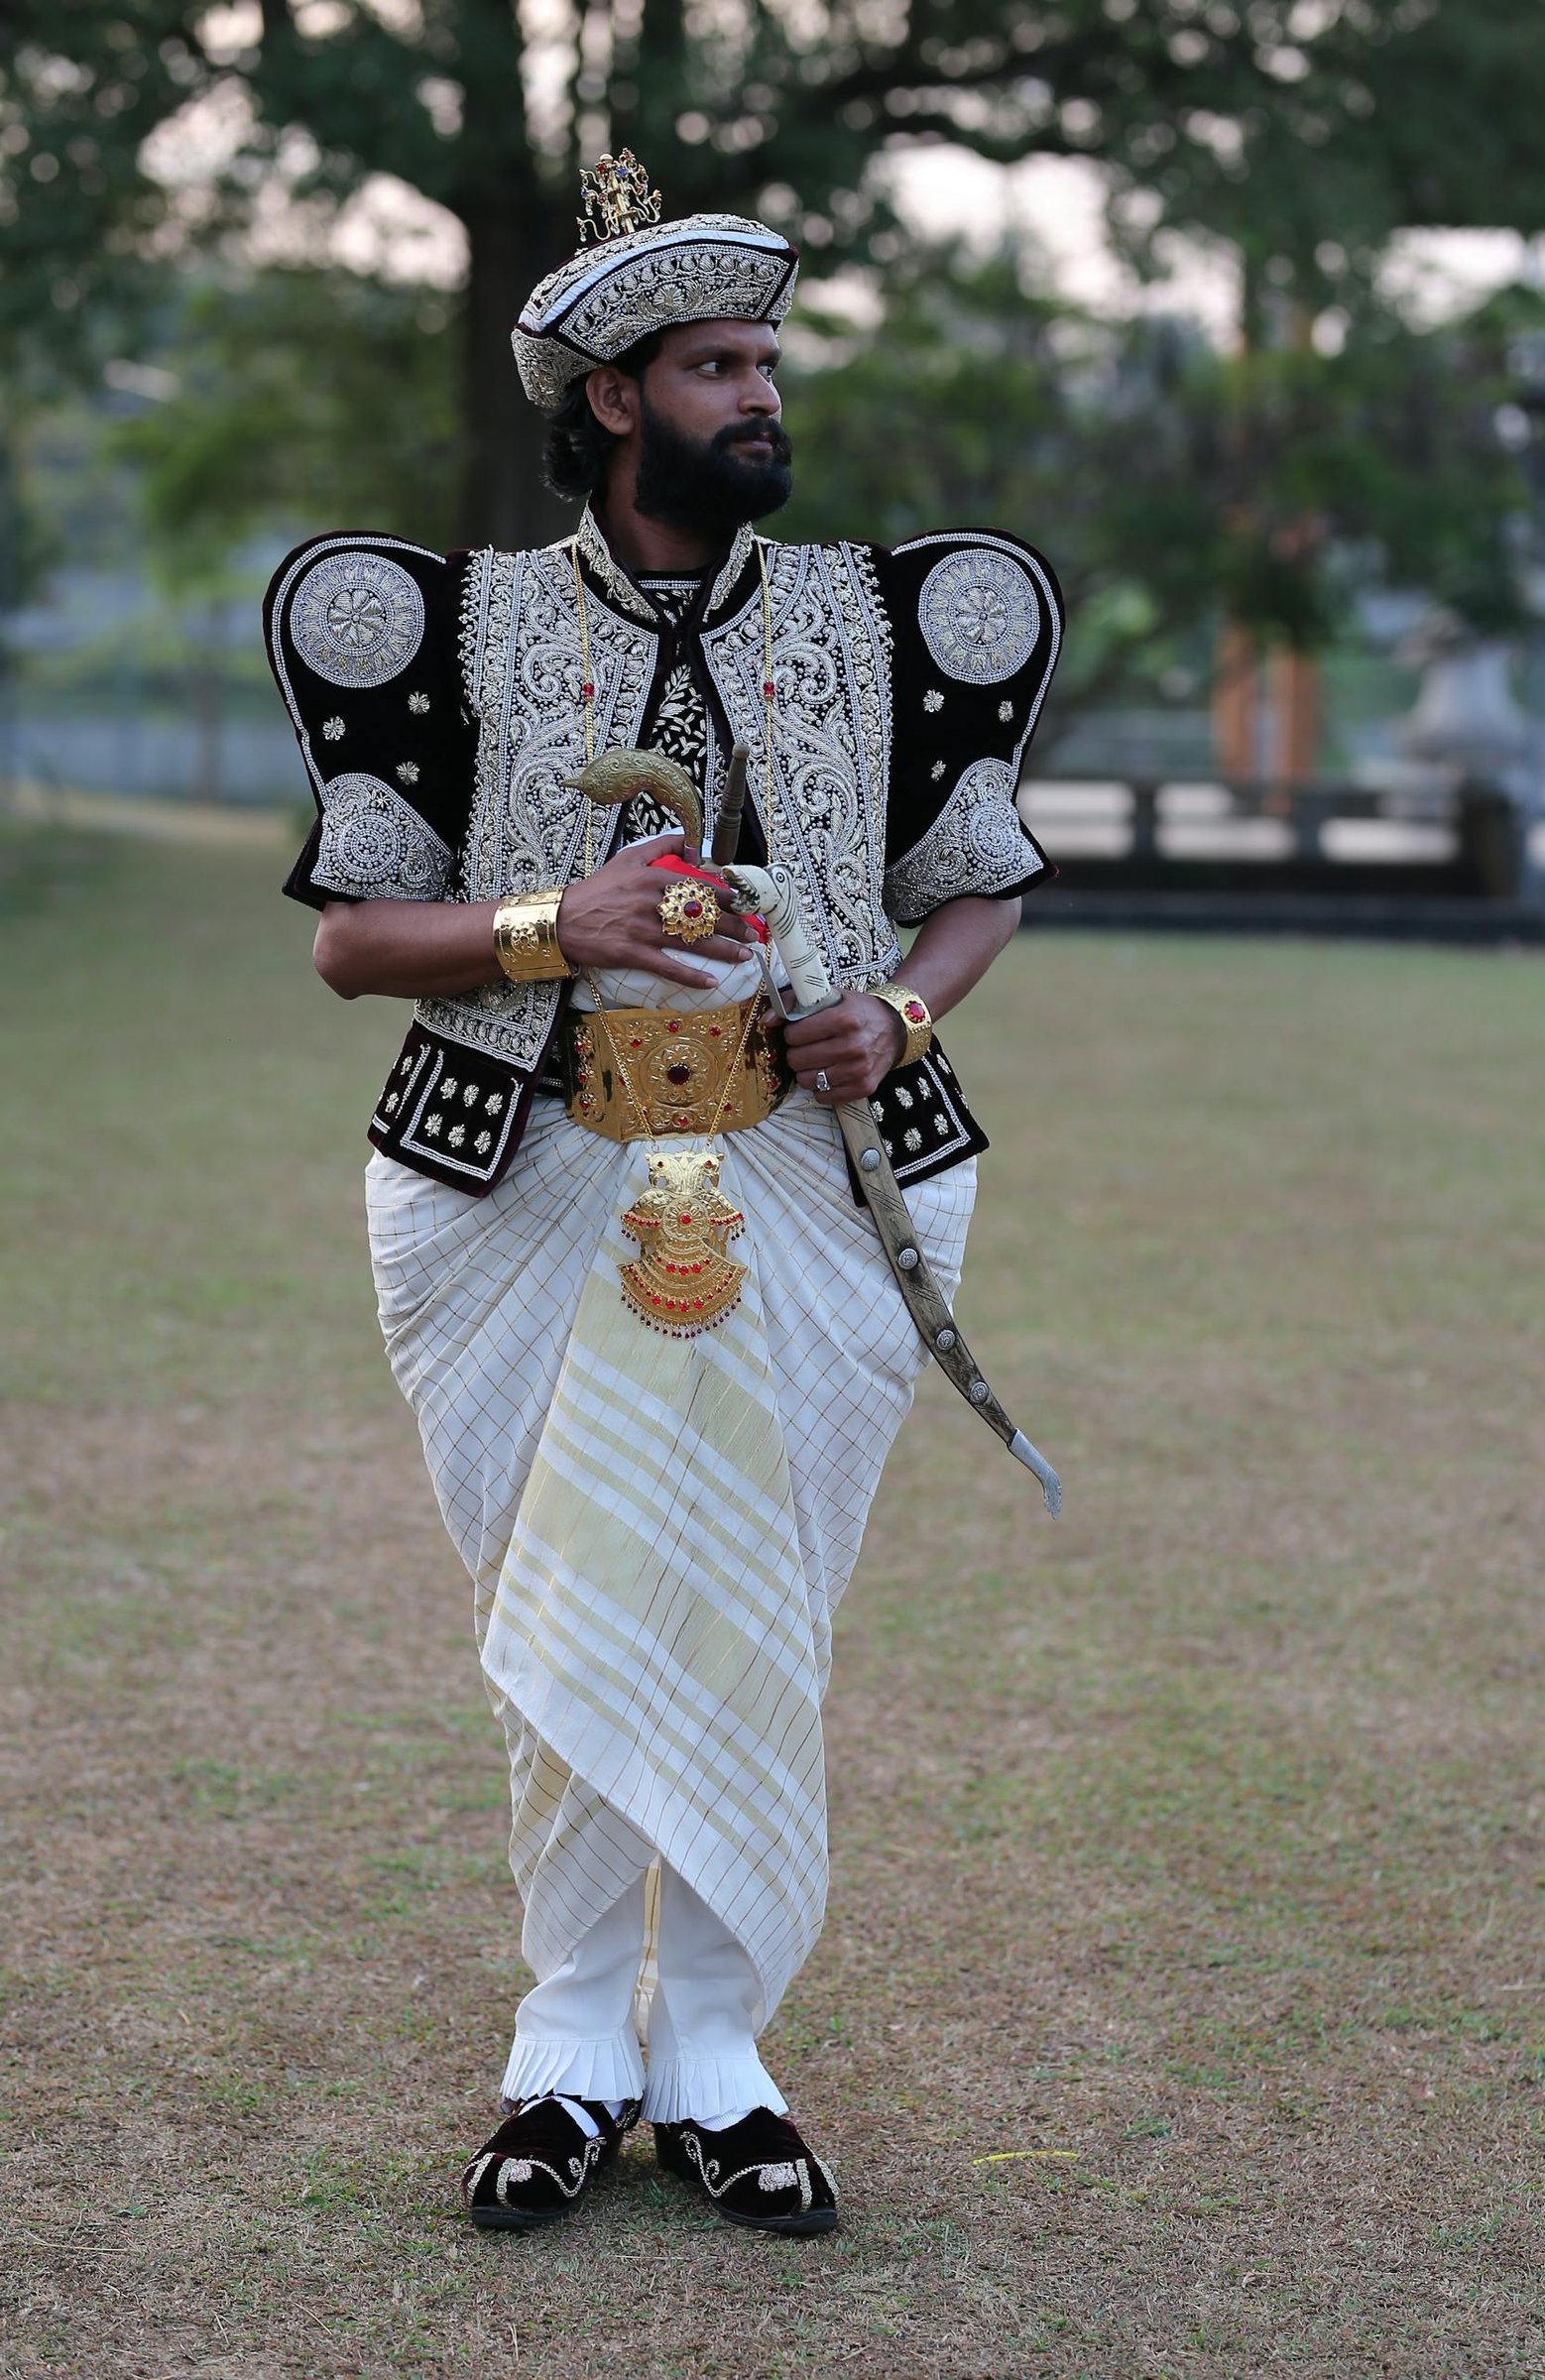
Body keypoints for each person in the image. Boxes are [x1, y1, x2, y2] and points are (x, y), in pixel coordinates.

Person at [262, 151, 1062, 2240]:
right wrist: (555, 918)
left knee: (742, 1609)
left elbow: (967, 894)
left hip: (818, 1177)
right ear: (613, 399)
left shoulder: (890, 615)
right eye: (715, 368)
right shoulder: (449, 620)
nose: (757, 398)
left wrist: (890, 1007)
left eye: (766, 362)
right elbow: (356, 943)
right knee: (561, 1608)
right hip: (509, 1177)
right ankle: (563, 2048)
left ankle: (715, 2055)